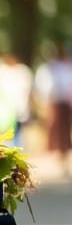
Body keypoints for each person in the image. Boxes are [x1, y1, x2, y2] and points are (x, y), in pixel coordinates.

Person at [33, 43, 72, 175]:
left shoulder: (65, 68)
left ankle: (63, 155)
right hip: (54, 102)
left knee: (63, 131)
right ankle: (56, 155)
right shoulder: (49, 69)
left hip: (63, 103)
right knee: (53, 129)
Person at [0, 52, 34, 148]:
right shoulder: (3, 71)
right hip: (7, 109)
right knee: (11, 133)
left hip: (17, 108)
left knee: (15, 132)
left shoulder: (21, 72)